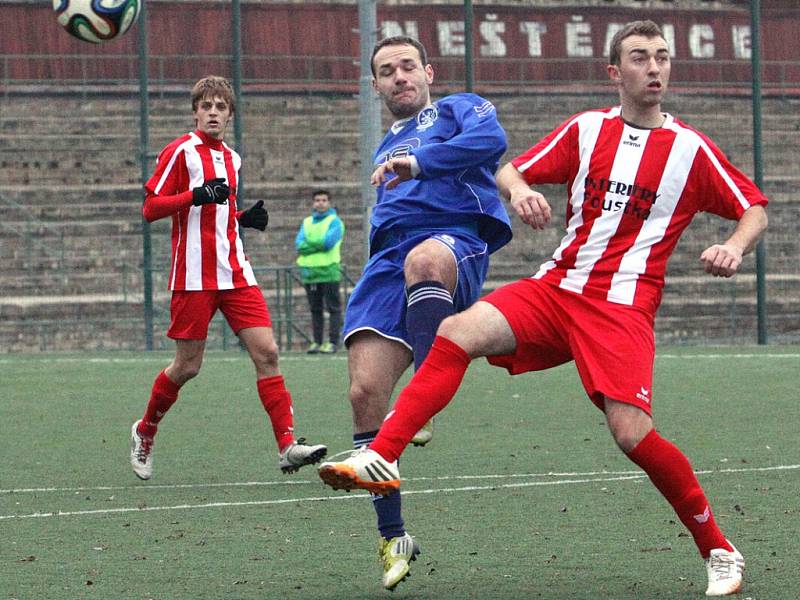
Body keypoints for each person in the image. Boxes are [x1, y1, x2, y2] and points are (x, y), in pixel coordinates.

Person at [318, 21, 768, 597]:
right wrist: (520, 190)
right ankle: (381, 455)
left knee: (631, 434)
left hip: (621, 308)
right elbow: (509, 164)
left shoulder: (690, 149)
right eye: (640, 57)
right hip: (556, 289)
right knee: (458, 329)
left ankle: (720, 550)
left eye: (661, 57)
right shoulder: (586, 131)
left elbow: (752, 205)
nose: (654, 68)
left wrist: (733, 245)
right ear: (615, 72)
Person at [328, 36, 512, 590]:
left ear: (428, 71)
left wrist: (419, 163)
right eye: (387, 71)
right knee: (364, 393)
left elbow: (492, 140)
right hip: (388, 261)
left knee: (425, 260)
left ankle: (424, 401)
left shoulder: (460, 109)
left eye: (408, 66)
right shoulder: (386, 143)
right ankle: (394, 536)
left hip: (452, 240)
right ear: (377, 85)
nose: (399, 76)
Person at [130, 75, 327, 481]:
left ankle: (287, 446)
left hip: (236, 272)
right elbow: (150, 208)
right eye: (207, 106)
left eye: (221, 107)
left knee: (268, 352)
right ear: (195, 111)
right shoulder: (180, 152)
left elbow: (217, 213)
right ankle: (146, 429)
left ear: (230, 114)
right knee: (187, 366)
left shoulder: (233, 159)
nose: (213, 113)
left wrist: (242, 219)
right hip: (193, 277)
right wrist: (195, 195)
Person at [295, 189, 345, 354]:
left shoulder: (335, 221)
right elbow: (299, 244)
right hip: (310, 273)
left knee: (333, 308)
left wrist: (311, 245)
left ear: (329, 202)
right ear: (313, 203)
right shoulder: (307, 222)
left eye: (324, 200)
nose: (320, 203)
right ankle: (316, 342)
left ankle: (332, 342)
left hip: (329, 271)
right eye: (317, 200)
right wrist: (317, 244)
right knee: (315, 309)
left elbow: (328, 243)